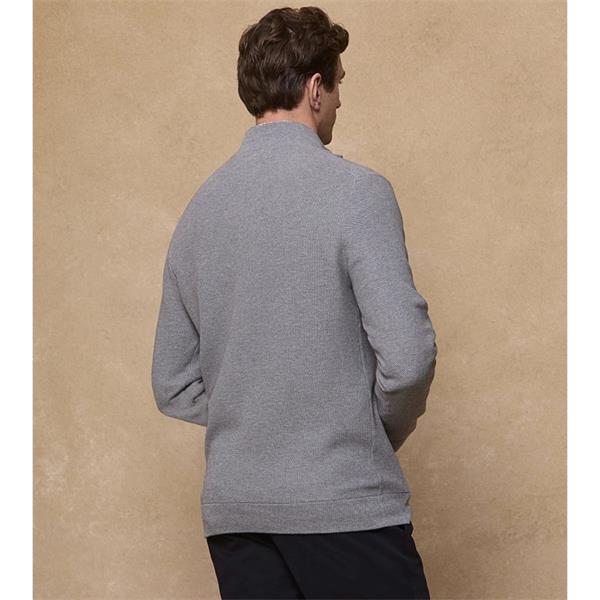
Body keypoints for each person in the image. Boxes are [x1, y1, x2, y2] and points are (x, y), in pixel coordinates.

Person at [151, 6, 437, 599]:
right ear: (314, 88)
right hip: (342, 503)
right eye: (338, 86)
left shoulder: (200, 212)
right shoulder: (357, 193)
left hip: (237, 516)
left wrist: (262, 418)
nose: (339, 103)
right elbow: (408, 359)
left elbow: (172, 383)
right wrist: (360, 426)